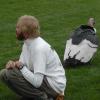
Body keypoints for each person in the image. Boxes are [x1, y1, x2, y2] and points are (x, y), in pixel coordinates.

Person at [0, 15, 66, 100]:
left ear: (26, 32)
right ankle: (31, 96)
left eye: (18, 27)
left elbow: (37, 82)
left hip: (54, 86)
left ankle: (42, 97)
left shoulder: (39, 48)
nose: (15, 30)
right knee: (4, 73)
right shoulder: (27, 44)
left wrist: (21, 67)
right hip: (46, 81)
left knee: (10, 74)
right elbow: (21, 64)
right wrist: (13, 64)